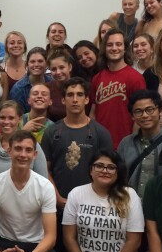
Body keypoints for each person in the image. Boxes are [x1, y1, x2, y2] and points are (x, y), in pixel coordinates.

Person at [42, 77, 113, 219]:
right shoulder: (52, 132)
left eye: (80, 95)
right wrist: (57, 198)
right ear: (63, 100)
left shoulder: (100, 133)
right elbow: (44, 170)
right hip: (58, 206)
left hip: (92, 208)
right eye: (70, 95)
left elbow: (109, 172)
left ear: (87, 100)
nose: (75, 99)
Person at [90, 28, 146, 148]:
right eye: (110, 45)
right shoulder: (97, 78)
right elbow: (93, 112)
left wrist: (133, 143)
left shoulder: (136, 78)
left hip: (125, 144)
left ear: (125, 48)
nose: (114, 48)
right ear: (104, 48)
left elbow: (140, 115)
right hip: (100, 143)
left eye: (118, 44)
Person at [117, 90, 162, 198]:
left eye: (150, 110)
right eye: (138, 111)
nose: (145, 115)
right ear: (132, 116)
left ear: (159, 110)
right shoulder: (126, 143)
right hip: (129, 207)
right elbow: (117, 176)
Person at [0, 100, 48, 180]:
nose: (6, 122)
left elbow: (43, 180)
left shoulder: (32, 145)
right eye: (2, 117)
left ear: (19, 119)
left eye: (11, 118)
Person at [9, 47, 51, 113]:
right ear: (27, 65)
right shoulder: (18, 89)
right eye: (32, 62)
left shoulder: (52, 82)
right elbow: (17, 116)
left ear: (46, 64)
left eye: (40, 61)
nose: (36, 65)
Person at [45, 50, 74, 121]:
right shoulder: (46, 89)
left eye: (61, 67)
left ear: (70, 67)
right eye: (54, 69)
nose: (58, 72)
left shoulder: (80, 88)